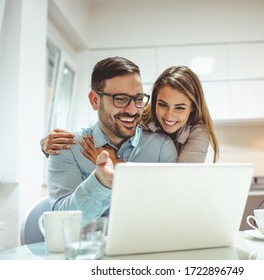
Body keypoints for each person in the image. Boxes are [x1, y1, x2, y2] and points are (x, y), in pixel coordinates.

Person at [48, 56, 177, 219]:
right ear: (95, 100)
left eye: (138, 99)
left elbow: (171, 211)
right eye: (121, 99)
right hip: (91, 244)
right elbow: (60, 221)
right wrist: (100, 183)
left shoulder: (161, 148)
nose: (132, 110)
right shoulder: (67, 148)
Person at [42, 65, 219, 163]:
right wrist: (49, 143)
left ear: (192, 108)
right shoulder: (137, 115)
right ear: (154, 100)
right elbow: (105, 124)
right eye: (162, 104)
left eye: (180, 108)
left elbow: (180, 183)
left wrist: (116, 165)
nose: (169, 115)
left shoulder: (199, 132)